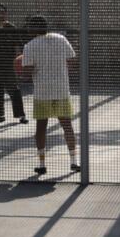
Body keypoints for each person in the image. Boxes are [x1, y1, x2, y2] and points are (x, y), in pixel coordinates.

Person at [18, 14, 80, 177]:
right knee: (67, 125)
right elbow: (72, 61)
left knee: (41, 128)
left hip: (42, 91)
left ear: (34, 28)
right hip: (61, 88)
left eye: (30, 26)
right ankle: (74, 161)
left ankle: (42, 164)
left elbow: (26, 73)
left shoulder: (29, 46)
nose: (28, 29)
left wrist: (20, 70)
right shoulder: (61, 39)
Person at [0, 4, 25, 124]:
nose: (0, 14)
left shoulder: (12, 27)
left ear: (6, 13)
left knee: (13, 89)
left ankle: (21, 115)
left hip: (8, 64)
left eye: (2, 12)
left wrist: (18, 62)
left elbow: (18, 45)